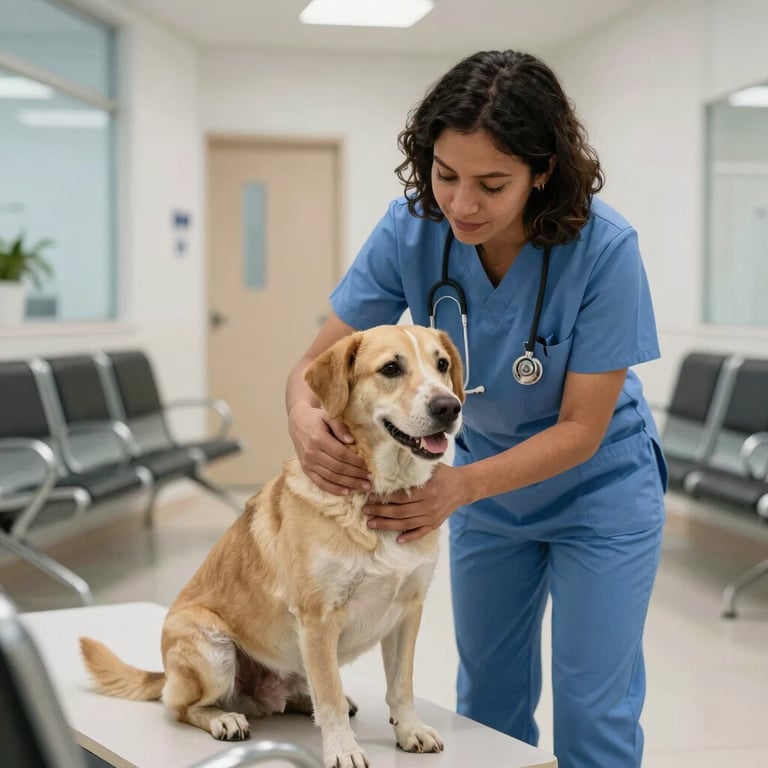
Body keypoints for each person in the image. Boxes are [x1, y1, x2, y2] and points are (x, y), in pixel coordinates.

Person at [285, 49, 667, 768]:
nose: (460, 204)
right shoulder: (410, 229)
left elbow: (582, 427)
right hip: (486, 491)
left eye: (492, 184)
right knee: (487, 703)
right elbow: (314, 367)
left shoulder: (606, 249)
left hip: (598, 491)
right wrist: (306, 424)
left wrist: (458, 487)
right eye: (445, 174)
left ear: (542, 171)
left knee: (593, 706)